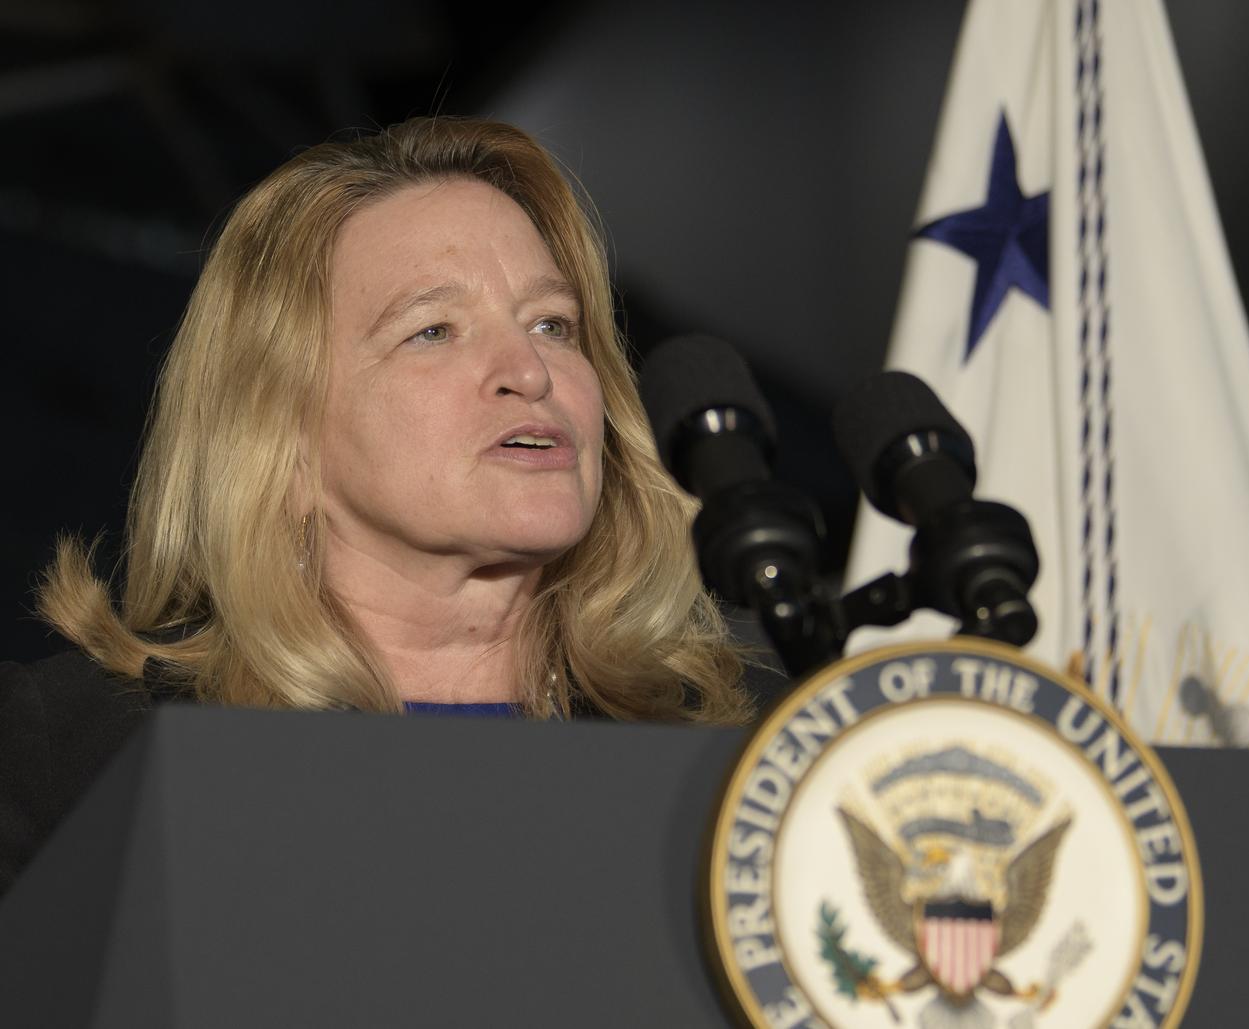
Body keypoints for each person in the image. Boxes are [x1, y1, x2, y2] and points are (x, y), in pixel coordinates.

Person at [0, 116, 752, 895]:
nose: (529, 370)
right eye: (433, 330)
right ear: (281, 437)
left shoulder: (740, 755)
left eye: (552, 324)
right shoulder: (70, 759)